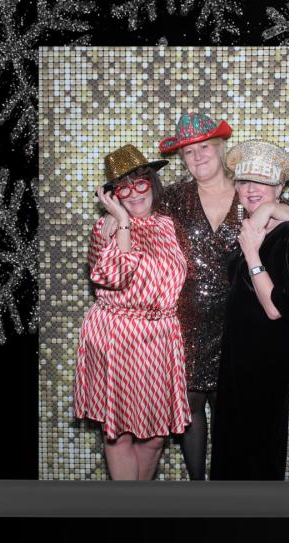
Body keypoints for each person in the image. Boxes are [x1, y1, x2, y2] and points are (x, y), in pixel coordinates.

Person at [157, 112, 289, 479]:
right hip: (190, 317)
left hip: (243, 318)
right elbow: (142, 220)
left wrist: (273, 208)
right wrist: (115, 218)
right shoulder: (174, 197)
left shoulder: (249, 186)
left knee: (233, 407)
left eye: (205, 148)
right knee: (190, 402)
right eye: (188, 152)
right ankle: (199, 487)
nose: (197, 157)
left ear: (221, 150)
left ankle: (230, 484)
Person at [73, 145, 190, 480]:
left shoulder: (168, 225)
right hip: (117, 336)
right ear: (113, 194)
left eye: (141, 183)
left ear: (152, 183)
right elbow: (115, 276)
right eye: (124, 188)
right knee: (120, 433)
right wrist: (123, 221)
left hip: (160, 338)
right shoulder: (105, 228)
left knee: (155, 438)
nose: (135, 193)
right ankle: (128, 506)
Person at [209, 141, 289, 480]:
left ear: (279, 188)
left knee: (257, 443)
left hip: (265, 355)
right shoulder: (252, 227)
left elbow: (276, 309)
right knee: (232, 440)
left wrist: (252, 253)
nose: (251, 189)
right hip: (237, 353)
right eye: (244, 181)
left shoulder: (287, 234)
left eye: (262, 182)